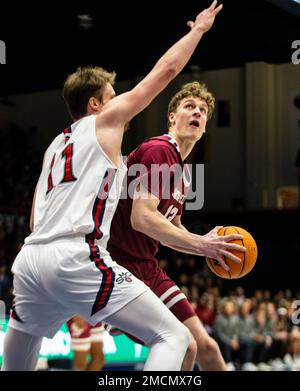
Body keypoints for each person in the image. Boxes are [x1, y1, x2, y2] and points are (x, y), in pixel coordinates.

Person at [1, 0, 223, 371]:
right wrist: (198, 30)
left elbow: (35, 219)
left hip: (30, 261)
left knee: (22, 347)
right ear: (96, 104)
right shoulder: (105, 123)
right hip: (78, 256)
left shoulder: (56, 147)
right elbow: (166, 71)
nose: (117, 100)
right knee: (175, 339)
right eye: (111, 95)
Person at [107, 81, 246, 370]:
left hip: (146, 265)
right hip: (118, 264)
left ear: (206, 125)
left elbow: (171, 228)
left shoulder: (183, 176)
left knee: (205, 347)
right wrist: (202, 245)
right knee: (184, 345)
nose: (197, 112)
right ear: (172, 116)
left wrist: (209, 247)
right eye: (189, 106)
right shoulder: (160, 150)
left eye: (203, 110)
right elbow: (142, 218)